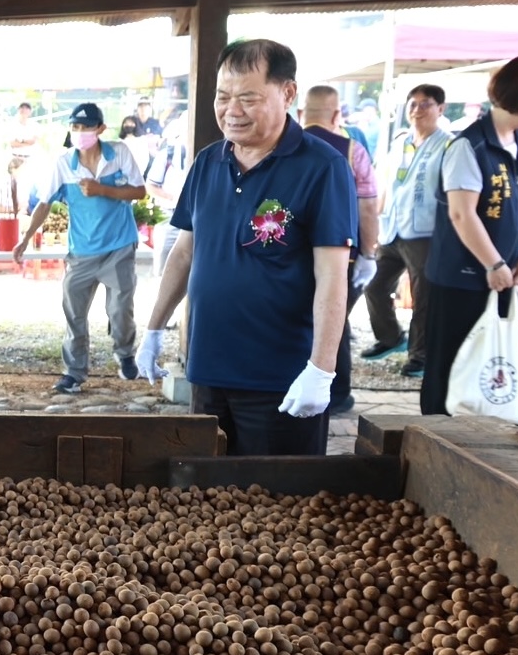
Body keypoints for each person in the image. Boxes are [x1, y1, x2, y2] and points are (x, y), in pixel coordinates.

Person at [136, 39, 357, 456]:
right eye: (223, 97)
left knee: (278, 508)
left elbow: (332, 274)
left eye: (248, 98)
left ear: (287, 93)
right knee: (207, 500)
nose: (231, 110)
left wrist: (321, 370)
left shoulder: (322, 167)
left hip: (282, 379)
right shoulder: (208, 162)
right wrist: (153, 328)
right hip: (207, 369)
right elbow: (184, 252)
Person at [420, 55, 518, 418]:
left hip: (505, 275)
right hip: (461, 279)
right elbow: (461, 213)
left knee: (496, 359)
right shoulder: (470, 146)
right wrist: (493, 262)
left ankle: (496, 427)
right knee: (450, 363)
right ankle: (436, 435)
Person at [15, 102, 146, 391]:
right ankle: (74, 372)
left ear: (100, 129)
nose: (80, 132)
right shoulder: (64, 163)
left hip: (119, 247)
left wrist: (103, 190)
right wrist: (25, 239)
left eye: (86, 127)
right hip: (81, 252)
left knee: (120, 310)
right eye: (75, 127)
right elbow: (45, 203)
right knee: (74, 313)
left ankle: (124, 353)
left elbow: (140, 191)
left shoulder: (119, 153)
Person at [362, 84, 453, 380]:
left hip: (426, 232)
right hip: (393, 229)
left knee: (423, 297)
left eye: (425, 104)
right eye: (412, 104)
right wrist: (376, 220)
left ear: (441, 108)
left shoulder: (449, 145)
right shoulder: (401, 142)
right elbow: (386, 184)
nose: (416, 110)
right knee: (374, 285)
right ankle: (390, 338)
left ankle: (420, 356)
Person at [300, 85, 379, 416]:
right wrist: (370, 253)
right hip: (339, 251)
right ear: (336, 115)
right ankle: (337, 392)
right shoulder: (352, 151)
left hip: (289, 249)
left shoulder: (283, 147)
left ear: (301, 114)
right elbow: (368, 208)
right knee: (334, 317)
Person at [144, 110, 189, 277]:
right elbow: (151, 186)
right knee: (164, 267)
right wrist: (173, 198)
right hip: (168, 217)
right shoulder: (168, 154)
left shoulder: (209, 155)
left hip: (196, 218)